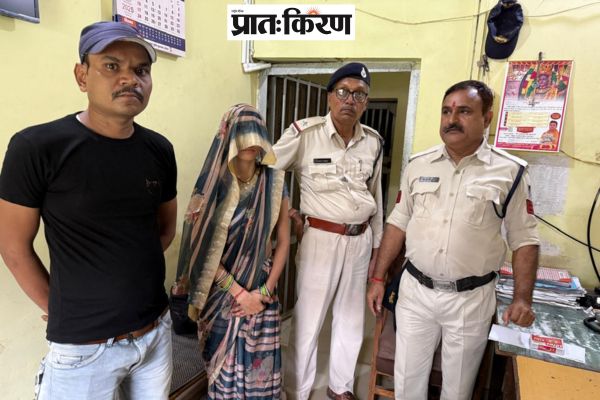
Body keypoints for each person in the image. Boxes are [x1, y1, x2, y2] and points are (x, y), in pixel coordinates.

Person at [0, 21, 177, 399]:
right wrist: (58, 307)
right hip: (84, 349)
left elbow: (163, 230)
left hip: (154, 336)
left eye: (141, 70)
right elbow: (12, 246)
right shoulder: (37, 147)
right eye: (112, 66)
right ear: (82, 76)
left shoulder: (159, 150)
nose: (130, 79)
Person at [367, 80, 539, 400]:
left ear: (487, 118)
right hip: (416, 293)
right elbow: (398, 223)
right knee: (407, 382)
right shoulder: (418, 164)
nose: (452, 119)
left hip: (470, 300)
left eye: (464, 111)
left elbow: (525, 239)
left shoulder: (509, 172)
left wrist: (522, 298)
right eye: (446, 111)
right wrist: (378, 277)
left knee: (457, 389)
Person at [273, 62, 384, 400]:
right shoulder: (304, 134)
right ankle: (297, 390)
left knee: (351, 319)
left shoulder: (373, 142)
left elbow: (376, 198)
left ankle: (341, 387)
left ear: (366, 102)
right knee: (308, 321)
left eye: (359, 95)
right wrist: (286, 213)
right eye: (343, 92)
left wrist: (376, 253)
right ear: (329, 97)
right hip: (320, 239)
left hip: (360, 239)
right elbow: (267, 172)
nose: (350, 100)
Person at [174, 104, 290, 399]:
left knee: (259, 366)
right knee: (224, 369)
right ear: (228, 136)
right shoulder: (212, 186)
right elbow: (200, 249)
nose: (251, 140)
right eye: (242, 132)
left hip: (263, 289)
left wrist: (264, 291)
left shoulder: (275, 182)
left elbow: (283, 242)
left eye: (256, 132)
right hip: (221, 293)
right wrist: (239, 294)